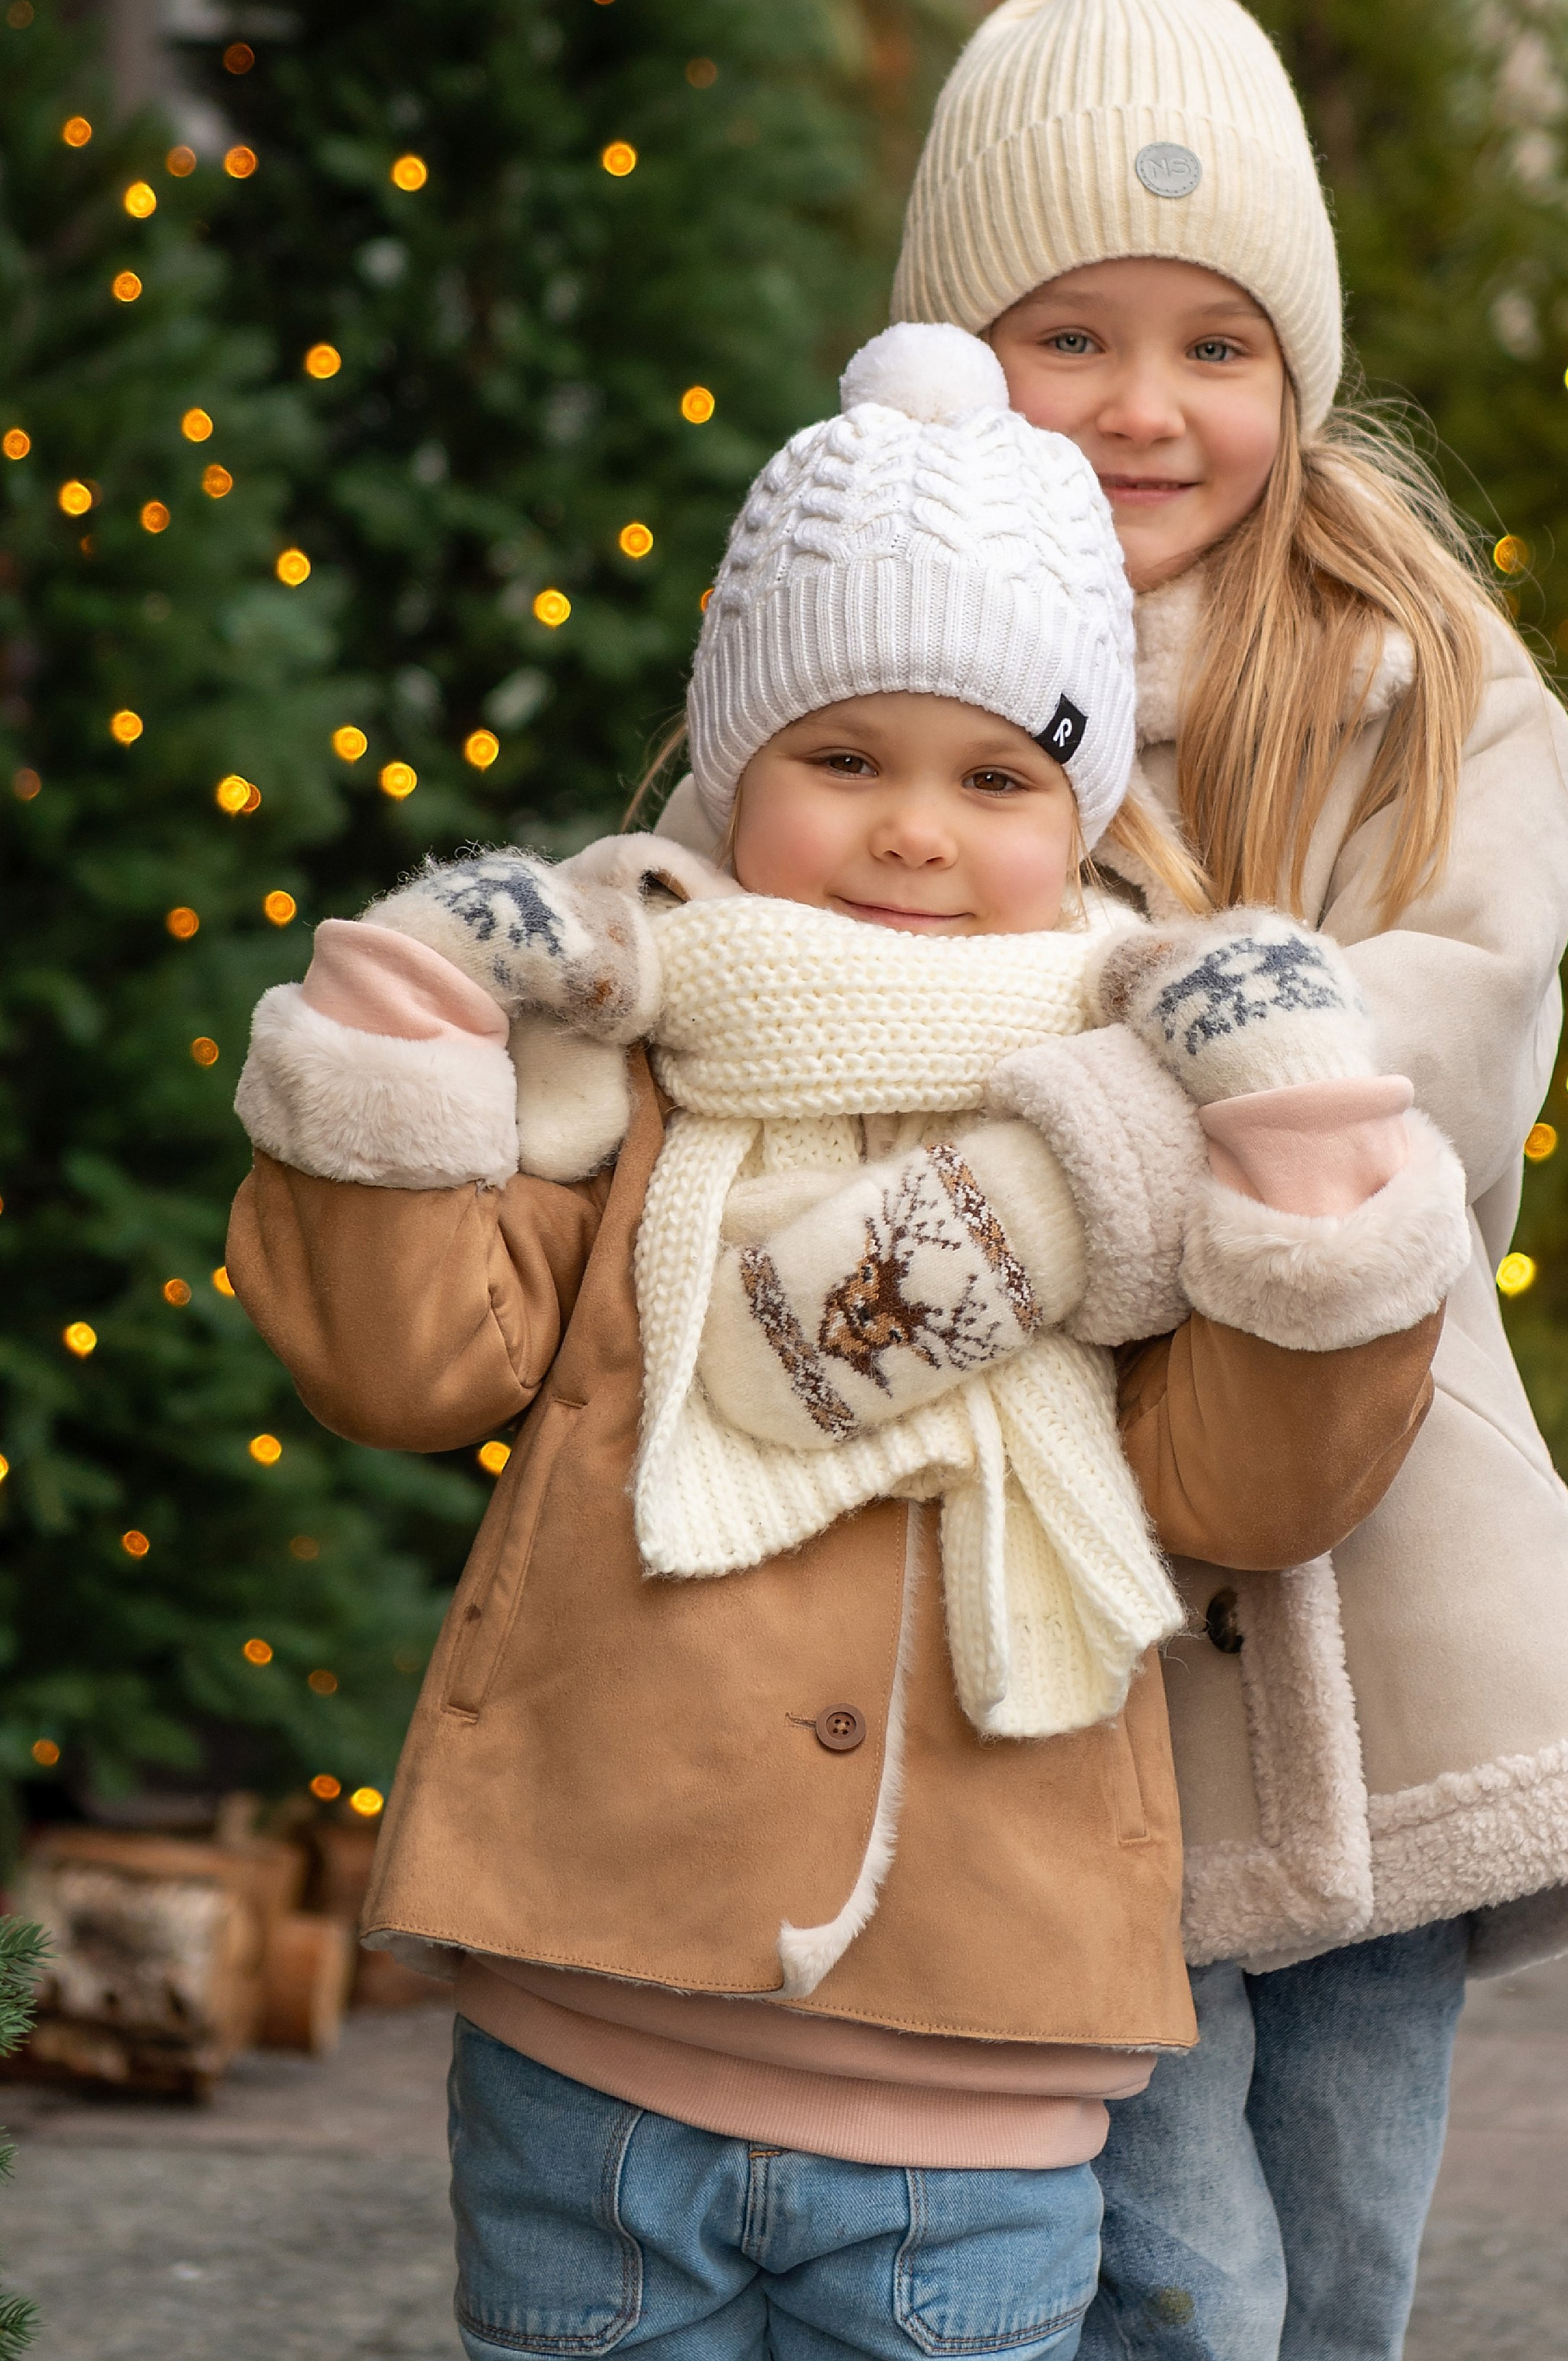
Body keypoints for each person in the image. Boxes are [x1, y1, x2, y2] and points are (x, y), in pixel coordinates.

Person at [225, 320, 1470, 2360]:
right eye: (845, 759)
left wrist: (1301, 1164)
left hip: (977, 2069)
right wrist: (401, 1036)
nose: (913, 829)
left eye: (995, 776)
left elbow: (1244, 1489)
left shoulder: (1133, 1122)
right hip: (588, 2015)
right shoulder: (635, 1072)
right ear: (739, 766)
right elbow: (407, 1364)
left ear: (1076, 810)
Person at [871, 0, 1568, 2361]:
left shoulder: (1415, 671)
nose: (1148, 407)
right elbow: (841, 991)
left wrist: (1116, 1113)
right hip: (1079, 1563)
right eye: (1073, 334)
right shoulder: (886, 651)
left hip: (1388, 1540)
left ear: (1298, 366)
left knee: (1349, 2213)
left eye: (1215, 344)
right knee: (1167, 2246)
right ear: (961, 350)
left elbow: (1442, 1060)